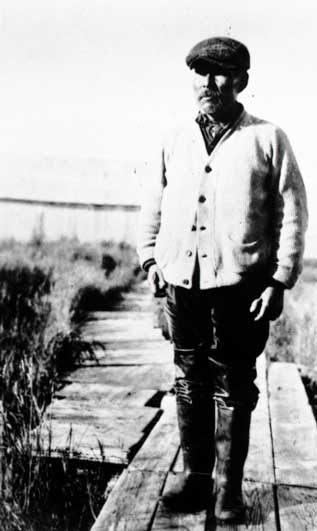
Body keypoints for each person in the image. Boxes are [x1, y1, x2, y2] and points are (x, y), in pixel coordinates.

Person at [137, 36, 308, 522]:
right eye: (200, 72)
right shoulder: (173, 138)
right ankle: (195, 479)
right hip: (181, 284)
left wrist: (279, 280)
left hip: (241, 288)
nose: (208, 83)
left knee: (233, 384)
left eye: (220, 73)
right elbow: (154, 203)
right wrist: (150, 260)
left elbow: (292, 213)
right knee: (188, 380)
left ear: (241, 82)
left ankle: (227, 490)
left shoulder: (268, 139)